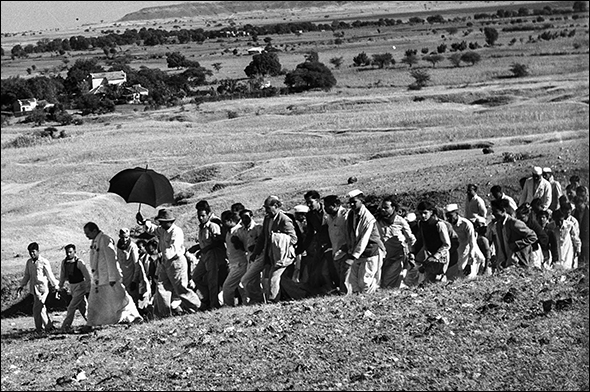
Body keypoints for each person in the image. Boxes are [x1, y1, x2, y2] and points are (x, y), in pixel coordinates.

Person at [135, 209, 201, 316]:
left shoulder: (177, 232)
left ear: (170, 221)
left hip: (176, 262)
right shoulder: (162, 230)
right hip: (165, 263)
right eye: (160, 221)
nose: (160, 224)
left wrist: (161, 255)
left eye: (163, 221)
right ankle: (163, 313)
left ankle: (196, 306)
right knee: (161, 287)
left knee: (180, 288)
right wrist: (143, 221)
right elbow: (153, 229)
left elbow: (173, 249)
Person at [83, 222, 143, 326]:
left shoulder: (105, 240)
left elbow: (111, 259)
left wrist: (112, 277)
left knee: (121, 298)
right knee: (95, 302)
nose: (86, 235)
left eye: (88, 233)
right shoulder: (95, 241)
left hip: (108, 278)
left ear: (94, 230)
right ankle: (93, 323)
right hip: (99, 278)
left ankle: (134, 317)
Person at [250, 195, 298, 303]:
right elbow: (263, 237)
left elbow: (294, 238)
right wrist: (256, 252)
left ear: (276, 206)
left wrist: (278, 239)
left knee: (273, 278)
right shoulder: (267, 219)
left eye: (268, 208)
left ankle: (273, 301)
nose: (266, 211)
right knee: (270, 279)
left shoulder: (285, 220)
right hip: (271, 255)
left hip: (283, 256)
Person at [297, 190, 338, 295]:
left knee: (332, 268)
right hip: (321, 245)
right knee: (320, 270)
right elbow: (310, 233)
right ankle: (330, 289)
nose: (309, 205)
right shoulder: (310, 215)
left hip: (334, 243)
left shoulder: (328, 211)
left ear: (318, 200)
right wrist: (302, 248)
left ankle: (338, 288)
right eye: (307, 203)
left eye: (311, 202)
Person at [344, 189, 385, 293]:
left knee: (366, 281)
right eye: (350, 202)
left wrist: (353, 256)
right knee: (353, 281)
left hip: (369, 251)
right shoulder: (351, 214)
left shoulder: (368, 218)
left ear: (361, 201)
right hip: (356, 252)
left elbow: (364, 239)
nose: (352, 204)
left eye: (355, 202)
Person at [16, 242, 60, 334]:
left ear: (38, 251)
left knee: (37, 308)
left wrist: (56, 286)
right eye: (30, 252)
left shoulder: (44, 262)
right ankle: (48, 327)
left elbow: (50, 275)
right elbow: (27, 275)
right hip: (34, 289)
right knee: (41, 307)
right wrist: (21, 286)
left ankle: (39, 328)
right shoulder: (29, 262)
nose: (32, 254)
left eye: (33, 251)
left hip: (42, 288)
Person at [191, 200, 227, 310]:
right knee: (196, 276)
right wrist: (198, 247)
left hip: (213, 255)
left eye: (202, 216)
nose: (200, 218)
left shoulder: (213, 225)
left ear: (208, 214)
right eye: (199, 216)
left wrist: (205, 248)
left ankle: (213, 304)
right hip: (205, 254)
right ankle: (207, 298)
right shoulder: (202, 226)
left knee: (213, 281)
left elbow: (218, 240)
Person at [376, 196, 416, 289]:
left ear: (393, 208)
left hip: (397, 255)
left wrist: (411, 252)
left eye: (386, 208)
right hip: (383, 255)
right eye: (382, 207)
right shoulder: (378, 221)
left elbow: (410, 238)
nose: (383, 210)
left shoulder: (400, 221)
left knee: (389, 278)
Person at [408, 201, 451, 285]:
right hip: (429, 254)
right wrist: (413, 252)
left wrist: (436, 256)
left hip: (441, 255)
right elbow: (420, 240)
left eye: (425, 213)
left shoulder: (439, 224)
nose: (423, 216)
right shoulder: (421, 224)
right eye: (420, 213)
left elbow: (446, 244)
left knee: (438, 278)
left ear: (431, 212)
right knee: (428, 279)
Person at [490, 199, 538, 270]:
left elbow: (533, 236)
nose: (493, 214)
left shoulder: (514, 223)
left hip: (520, 261)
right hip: (508, 262)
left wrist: (517, 244)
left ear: (503, 211)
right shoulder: (498, 226)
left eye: (495, 211)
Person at [444, 203, 484, 280]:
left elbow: (472, 243)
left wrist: (469, 261)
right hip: (455, 253)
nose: (449, 218)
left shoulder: (466, 224)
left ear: (456, 213)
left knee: (467, 277)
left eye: (450, 216)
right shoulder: (448, 225)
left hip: (467, 253)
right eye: (447, 216)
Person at [58, 244, 91, 333]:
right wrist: (59, 287)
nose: (68, 254)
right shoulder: (64, 262)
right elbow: (62, 276)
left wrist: (88, 289)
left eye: (70, 252)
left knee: (71, 307)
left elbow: (87, 277)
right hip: (72, 286)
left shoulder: (79, 262)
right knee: (82, 307)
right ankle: (92, 323)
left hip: (80, 286)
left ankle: (65, 327)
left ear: (75, 252)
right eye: (67, 252)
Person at [324, 195, 351, 295]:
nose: (325, 209)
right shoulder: (328, 218)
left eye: (327, 206)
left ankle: (346, 294)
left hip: (345, 250)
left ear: (335, 205)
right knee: (340, 274)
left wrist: (346, 247)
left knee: (345, 275)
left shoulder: (345, 215)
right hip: (335, 251)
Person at [220, 210, 249, 307]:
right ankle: (247, 304)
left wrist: (238, 244)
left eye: (224, 221)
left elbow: (246, 247)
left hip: (240, 264)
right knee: (242, 287)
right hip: (234, 264)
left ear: (231, 220)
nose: (223, 224)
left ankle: (228, 305)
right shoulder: (229, 232)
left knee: (228, 287)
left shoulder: (239, 231)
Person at [238, 209, 265, 304]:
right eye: (242, 218)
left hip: (259, 257)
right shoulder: (241, 231)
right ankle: (257, 300)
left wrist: (256, 248)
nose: (244, 219)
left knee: (245, 280)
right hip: (249, 257)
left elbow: (262, 242)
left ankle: (257, 299)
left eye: (247, 217)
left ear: (252, 216)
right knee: (253, 282)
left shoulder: (258, 228)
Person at [116, 228, 146, 306]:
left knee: (132, 299)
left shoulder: (132, 246)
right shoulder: (119, 246)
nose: (124, 239)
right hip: (122, 276)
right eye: (122, 237)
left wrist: (134, 280)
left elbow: (136, 264)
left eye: (126, 237)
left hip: (131, 276)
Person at [515, 203, 548, 269]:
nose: (520, 220)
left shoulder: (533, 224)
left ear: (527, 215)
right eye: (518, 218)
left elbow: (544, 237)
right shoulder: (518, 225)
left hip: (534, 252)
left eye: (522, 218)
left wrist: (536, 244)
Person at [572, 195, 589, 267]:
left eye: (579, 206)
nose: (578, 208)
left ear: (583, 203)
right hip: (579, 239)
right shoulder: (574, 212)